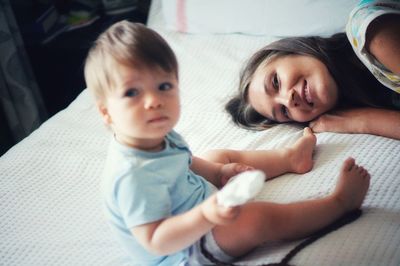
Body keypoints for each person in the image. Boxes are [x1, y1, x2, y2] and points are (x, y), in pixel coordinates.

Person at [84, 20, 371, 266]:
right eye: (132, 92)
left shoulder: (156, 135)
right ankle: (338, 203)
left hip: (201, 206)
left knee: (216, 157)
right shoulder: (130, 175)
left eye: (164, 86)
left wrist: (219, 174)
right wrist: (206, 214)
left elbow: (185, 163)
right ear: (106, 112)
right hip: (186, 251)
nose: (154, 101)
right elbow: (156, 241)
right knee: (254, 219)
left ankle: (289, 159)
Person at [226, 0, 400, 140]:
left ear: (291, 50)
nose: (289, 100)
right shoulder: (369, 95)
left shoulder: (371, 33)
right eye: (284, 111)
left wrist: (363, 121)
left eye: (276, 82)